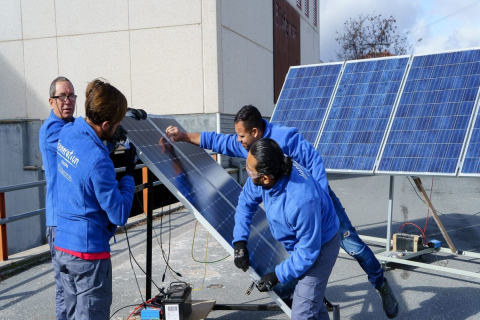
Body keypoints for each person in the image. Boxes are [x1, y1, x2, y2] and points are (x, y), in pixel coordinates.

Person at [165, 105, 399, 319]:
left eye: (241, 136)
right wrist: (240, 241)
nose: (237, 141)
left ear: (255, 132)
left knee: (353, 249)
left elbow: (314, 162)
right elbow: (242, 189)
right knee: (310, 297)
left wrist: (317, 201)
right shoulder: (254, 155)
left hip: (315, 202)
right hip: (295, 206)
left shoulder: (286, 142)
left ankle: (381, 284)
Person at [54, 79, 137, 319]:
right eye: (117, 122)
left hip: (64, 248)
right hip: (88, 256)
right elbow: (119, 214)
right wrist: (129, 174)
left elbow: (83, 164)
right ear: (105, 123)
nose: (120, 124)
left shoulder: (68, 132)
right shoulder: (100, 162)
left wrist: (108, 142)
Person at [233, 138, 340, 319]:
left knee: (302, 312)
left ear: (265, 178)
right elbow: (245, 201)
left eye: (250, 171)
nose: (247, 170)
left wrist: (277, 275)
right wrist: (240, 241)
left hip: (321, 245)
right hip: (303, 242)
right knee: (311, 301)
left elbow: (308, 252)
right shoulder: (273, 166)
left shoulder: (301, 201)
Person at [39, 76, 76, 320]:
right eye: (62, 96)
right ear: (51, 100)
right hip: (58, 221)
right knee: (65, 287)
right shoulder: (53, 130)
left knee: (73, 284)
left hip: (69, 218)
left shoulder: (72, 125)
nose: (68, 101)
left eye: (72, 96)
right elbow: (76, 149)